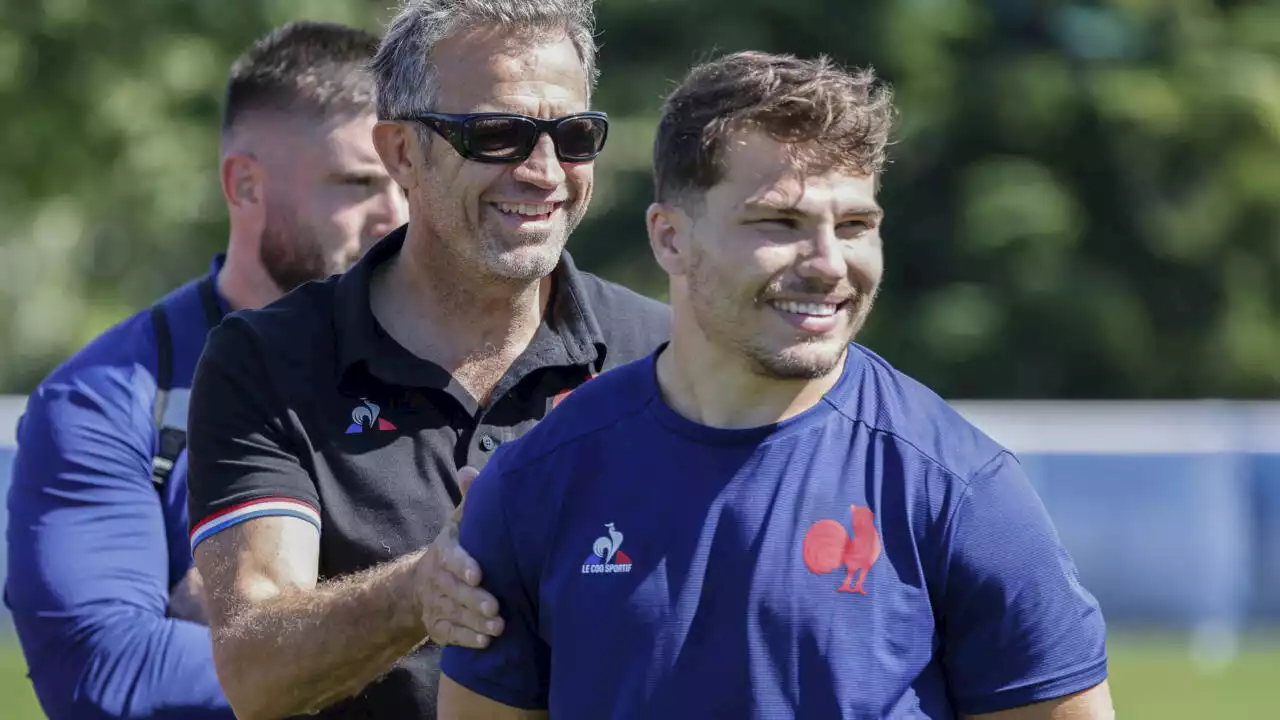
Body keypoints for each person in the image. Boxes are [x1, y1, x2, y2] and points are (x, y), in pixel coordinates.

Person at [437, 50, 1115, 719]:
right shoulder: (537, 483)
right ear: (670, 239)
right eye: (779, 224)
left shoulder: (959, 488)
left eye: (854, 226)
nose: (827, 264)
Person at [182, 0, 670, 718]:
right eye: (497, 135)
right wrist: (424, 588)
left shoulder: (661, 354)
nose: (543, 172)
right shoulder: (268, 360)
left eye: (571, 136)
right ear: (401, 153)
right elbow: (257, 670)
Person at [3, 21, 406, 720]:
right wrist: (419, 633)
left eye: (408, 181)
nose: (395, 216)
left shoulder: (477, 362)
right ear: (244, 185)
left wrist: (271, 626)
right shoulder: (103, 401)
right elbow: (109, 673)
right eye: (357, 184)